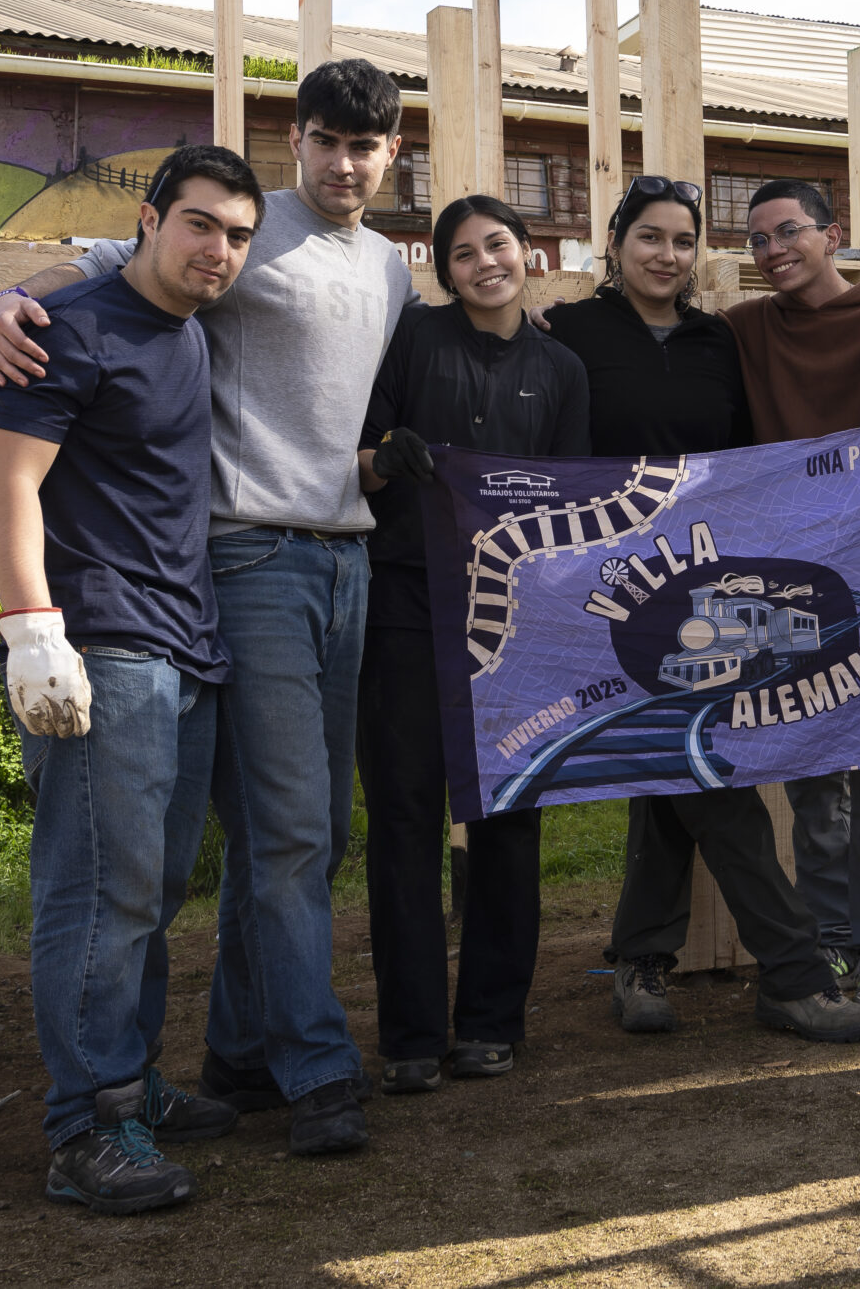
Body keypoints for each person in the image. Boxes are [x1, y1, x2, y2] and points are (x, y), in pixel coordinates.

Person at [0, 59, 417, 1155]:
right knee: (223, 848)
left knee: (247, 849)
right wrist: (6, 297)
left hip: (316, 573)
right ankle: (206, 1090)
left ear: (393, 152)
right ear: (298, 139)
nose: (347, 162)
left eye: (369, 146)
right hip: (231, 569)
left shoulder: (384, 270)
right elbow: (87, 291)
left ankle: (222, 1056)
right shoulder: (208, 246)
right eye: (328, 140)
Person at [0, 145, 263, 1214]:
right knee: (97, 890)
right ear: (149, 220)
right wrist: (30, 629)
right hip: (100, 647)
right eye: (200, 225)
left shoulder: (183, 333)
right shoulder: (70, 329)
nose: (219, 250)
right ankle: (86, 1128)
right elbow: (5, 478)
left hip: (185, 647)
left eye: (237, 235)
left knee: (150, 889)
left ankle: (130, 1085)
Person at [543, 175, 860, 1045]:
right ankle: (794, 974)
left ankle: (643, 959)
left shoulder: (715, 339)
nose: (666, 254)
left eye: (683, 241)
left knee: (683, 766)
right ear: (615, 242)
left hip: (701, 585)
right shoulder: (569, 332)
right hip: (600, 588)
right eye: (649, 236)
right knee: (702, 774)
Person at [358, 196, 591, 1089]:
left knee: (507, 813)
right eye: (463, 253)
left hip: (514, 618)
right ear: (444, 269)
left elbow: (574, 500)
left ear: (527, 252)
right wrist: (390, 455)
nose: (484, 262)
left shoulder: (562, 368)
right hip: (406, 602)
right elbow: (364, 447)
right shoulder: (414, 341)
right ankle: (412, 1035)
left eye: (498, 244)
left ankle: (493, 1018)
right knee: (407, 816)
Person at [721, 178, 860, 1018]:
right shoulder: (746, 328)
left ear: (832, 234)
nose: (773, 252)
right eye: (758, 240)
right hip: (790, 581)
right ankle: (832, 939)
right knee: (811, 766)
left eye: (789, 232)